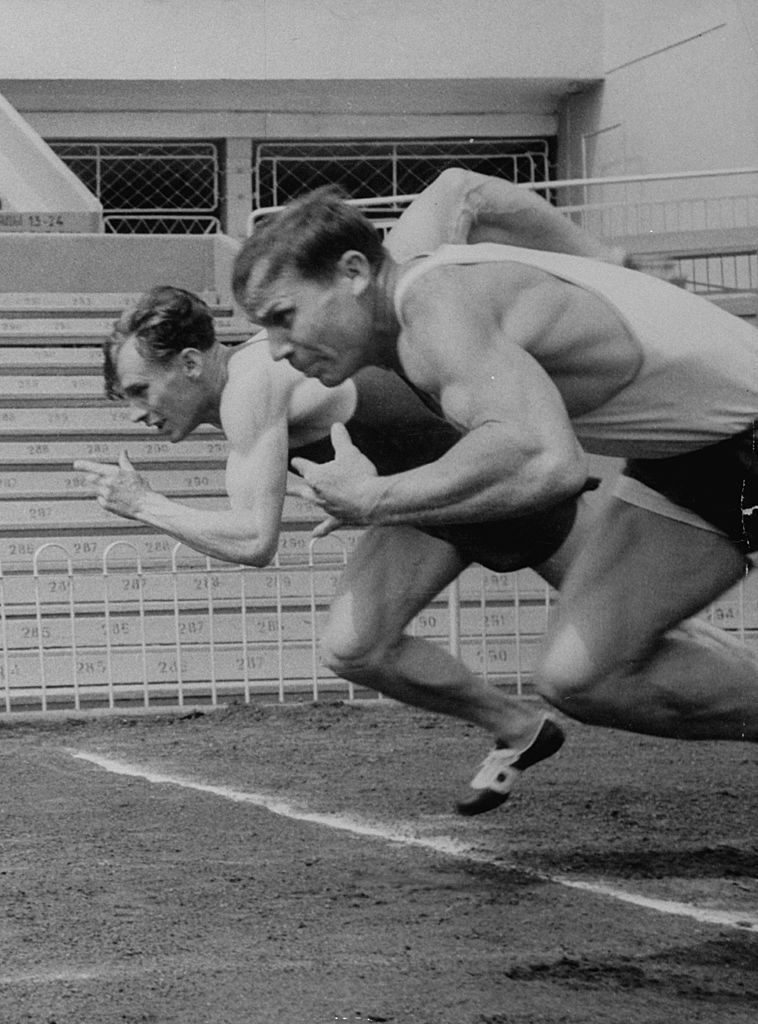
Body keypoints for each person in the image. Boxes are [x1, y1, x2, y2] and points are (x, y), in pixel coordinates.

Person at [76, 169, 636, 816]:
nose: (138, 414)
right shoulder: (248, 399)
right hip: (418, 500)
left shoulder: (251, 387)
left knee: (634, 636)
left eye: (141, 391)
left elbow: (255, 541)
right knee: (353, 647)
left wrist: (143, 504)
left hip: (486, 475)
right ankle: (520, 727)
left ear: (191, 363)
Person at [231, 182, 758, 749]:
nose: (278, 348)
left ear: (354, 272)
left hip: (741, 434)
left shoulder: (435, 306)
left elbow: (548, 463)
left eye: (285, 317)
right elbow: (461, 185)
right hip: (687, 457)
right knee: (579, 678)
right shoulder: (406, 288)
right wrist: (608, 259)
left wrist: (373, 498)